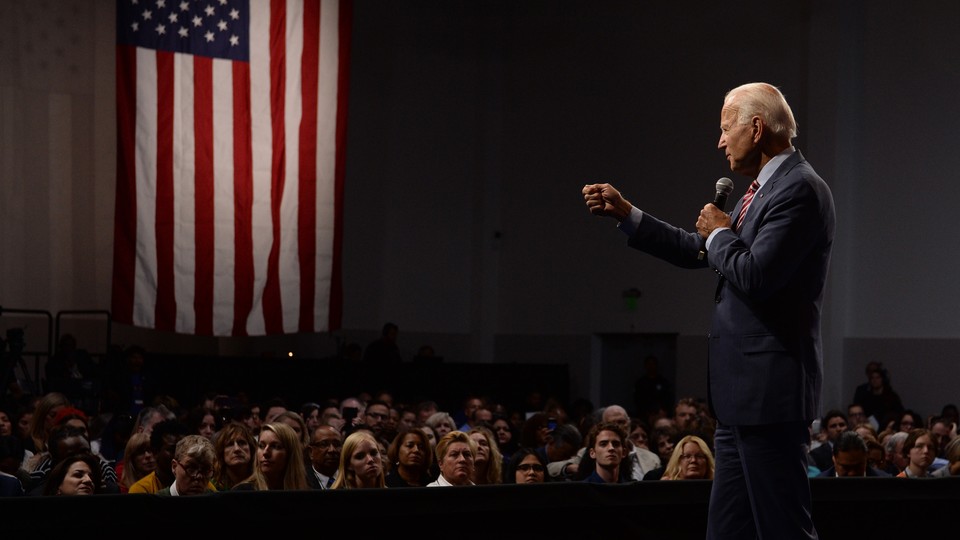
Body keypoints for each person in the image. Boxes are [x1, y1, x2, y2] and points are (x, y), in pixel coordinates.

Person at [583, 81, 834, 539]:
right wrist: (628, 214)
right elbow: (700, 250)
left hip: (769, 399)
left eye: (725, 129)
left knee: (783, 529)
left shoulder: (799, 190)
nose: (720, 142)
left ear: (756, 128)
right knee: (726, 531)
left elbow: (756, 275)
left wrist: (720, 233)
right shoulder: (759, 190)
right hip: (739, 401)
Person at [233, 423, 309, 491]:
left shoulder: (306, 494)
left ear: (290, 453)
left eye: (275, 446)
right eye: (261, 446)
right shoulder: (241, 493)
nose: (265, 452)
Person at [128, 419, 195, 494]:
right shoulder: (141, 489)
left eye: (184, 450)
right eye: (172, 450)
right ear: (155, 452)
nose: (180, 455)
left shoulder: (197, 485)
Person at [816, 431, 890, 477]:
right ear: (834, 458)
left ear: (866, 457)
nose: (852, 473)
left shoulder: (885, 483)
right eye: (846, 467)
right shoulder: (817, 487)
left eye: (857, 466)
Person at [211, 421, 257, 491]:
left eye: (242, 443)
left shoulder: (262, 483)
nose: (237, 449)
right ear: (222, 452)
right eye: (230, 444)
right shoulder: (212, 487)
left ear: (251, 448)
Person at [634, 354, 674, 424]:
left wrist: (663, 411)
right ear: (645, 366)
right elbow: (638, 399)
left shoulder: (663, 382)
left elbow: (667, 398)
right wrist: (647, 413)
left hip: (661, 414)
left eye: (653, 364)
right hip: (645, 415)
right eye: (649, 364)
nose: (651, 366)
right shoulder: (641, 382)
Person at [305, 424, 342, 489]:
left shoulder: (349, 478)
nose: (332, 450)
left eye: (336, 444)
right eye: (324, 444)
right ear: (311, 452)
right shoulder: (301, 480)